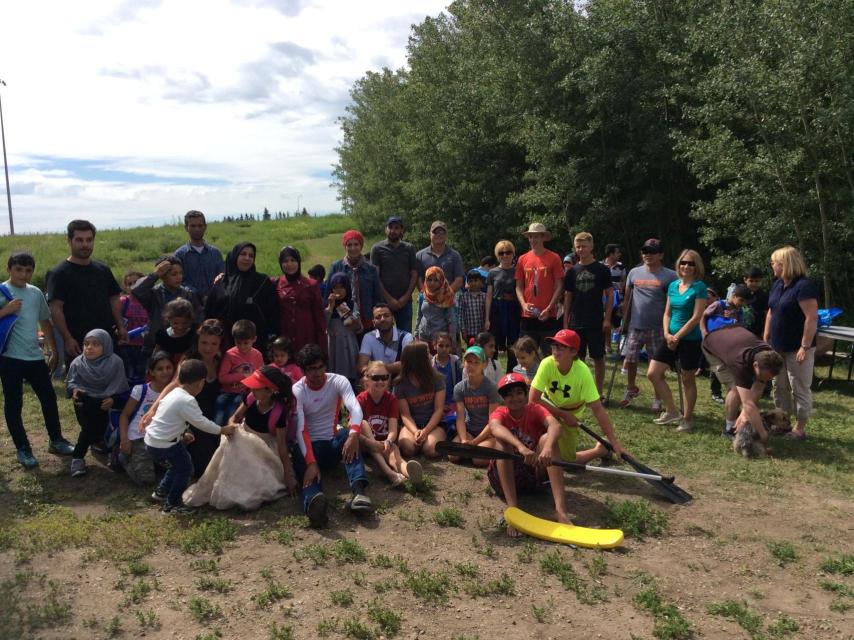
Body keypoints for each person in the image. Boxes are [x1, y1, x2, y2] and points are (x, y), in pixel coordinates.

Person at [184, 366, 298, 510]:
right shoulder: (250, 398)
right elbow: (236, 417)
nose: (252, 391)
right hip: (244, 438)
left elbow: (281, 446)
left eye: (257, 388)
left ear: (270, 391)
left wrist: (288, 474)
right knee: (234, 448)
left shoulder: (278, 412)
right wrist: (232, 427)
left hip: (264, 448)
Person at [1, 252, 74, 467]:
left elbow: (44, 321)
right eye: (19, 270)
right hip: (9, 358)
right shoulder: (2, 291)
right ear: (9, 269)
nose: (24, 274)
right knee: (14, 404)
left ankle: (56, 440)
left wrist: (53, 349)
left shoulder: (34, 293)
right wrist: (6, 310)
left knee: (49, 399)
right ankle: (23, 448)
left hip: (34, 357)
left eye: (28, 270)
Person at [292, 344, 372, 527]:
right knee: (298, 452)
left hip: (332, 442)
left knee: (347, 434)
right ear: (304, 371)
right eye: (312, 369)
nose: (317, 373)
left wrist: (353, 434)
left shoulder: (338, 381)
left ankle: (359, 492)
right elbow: (301, 428)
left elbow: (355, 409)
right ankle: (313, 504)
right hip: (309, 446)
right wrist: (311, 463)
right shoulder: (298, 390)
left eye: (320, 367)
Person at [144, 359, 236, 514]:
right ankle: (172, 505)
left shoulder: (174, 393)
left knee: (177, 465)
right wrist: (222, 429)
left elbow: (170, 420)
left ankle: (161, 492)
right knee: (186, 468)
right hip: (165, 445)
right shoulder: (187, 400)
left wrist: (183, 433)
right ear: (200, 383)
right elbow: (202, 423)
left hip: (154, 441)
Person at [140, 319, 225, 477]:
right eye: (204, 342)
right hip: (192, 414)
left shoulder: (223, 359)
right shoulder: (189, 360)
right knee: (201, 464)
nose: (208, 348)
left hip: (216, 411)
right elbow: (173, 385)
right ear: (197, 341)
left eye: (214, 344)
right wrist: (153, 410)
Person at [529, 329, 625, 465]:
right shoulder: (546, 363)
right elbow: (533, 399)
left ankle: (600, 450)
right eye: (554, 346)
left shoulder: (582, 372)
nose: (555, 351)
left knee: (567, 463)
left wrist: (614, 442)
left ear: (573, 352)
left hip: (571, 413)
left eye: (561, 347)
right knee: (535, 446)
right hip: (548, 406)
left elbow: (598, 409)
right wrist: (561, 413)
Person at [486, 372, 565, 535]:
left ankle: (561, 510)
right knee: (502, 443)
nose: (515, 398)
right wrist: (520, 447)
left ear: (525, 393)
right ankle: (513, 511)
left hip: (533, 472)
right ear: (503, 398)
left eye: (519, 393)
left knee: (548, 438)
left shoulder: (535, 409)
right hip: (505, 476)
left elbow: (555, 425)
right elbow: (495, 428)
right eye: (509, 395)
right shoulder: (499, 412)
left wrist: (548, 447)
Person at [48, 220, 128, 368]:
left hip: (107, 339)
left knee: (112, 385)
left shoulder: (103, 270)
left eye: (89, 240)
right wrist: (67, 338)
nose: (85, 244)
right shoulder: (59, 274)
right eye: (79, 240)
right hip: (78, 343)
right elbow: (55, 308)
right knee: (82, 388)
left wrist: (121, 326)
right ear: (69, 241)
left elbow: (114, 298)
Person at [645, 250, 708, 432]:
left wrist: (677, 337)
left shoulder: (699, 287)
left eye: (691, 263)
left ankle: (687, 419)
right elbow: (667, 313)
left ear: (697, 267)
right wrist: (666, 333)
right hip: (669, 337)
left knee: (687, 380)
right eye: (683, 263)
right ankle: (672, 410)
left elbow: (696, 317)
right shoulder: (673, 285)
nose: (686, 266)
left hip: (689, 340)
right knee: (653, 373)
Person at [765, 246, 819, 441]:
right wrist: (766, 335)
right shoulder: (778, 284)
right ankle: (781, 422)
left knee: (799, 386)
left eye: (775, 262)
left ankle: (799, 428)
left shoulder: (804, 286)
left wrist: (804, 346)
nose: (772, 265)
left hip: (797, 347)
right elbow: (771, 311)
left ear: (785, 264)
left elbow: (811, 317)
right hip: (777, 345)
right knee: (778, 385)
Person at [620, 239, 678, 410]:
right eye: (645, 251)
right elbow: (627, 298)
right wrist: (625, 321)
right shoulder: (634, 273)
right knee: (630, 358)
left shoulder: (670, 276)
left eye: (652, 252)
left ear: (660, 255)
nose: (648, 255)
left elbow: (673, 303)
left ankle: (658, 398)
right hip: (635, 326)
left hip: (658, 328)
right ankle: (631, 389)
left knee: (656, 365)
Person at [702, 322, 783, 439]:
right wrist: (763, 433)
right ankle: (730, 428)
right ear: (755, 365)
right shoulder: (740, 363)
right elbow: (748, 402)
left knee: (749, 393)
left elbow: (759, 385)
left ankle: (740, 418)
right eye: (765, 376)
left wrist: (745, 413)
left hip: (733, 339)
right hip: (712, 345)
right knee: (736, 389)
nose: (767, 380)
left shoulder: (769, 355)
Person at [66, 329, 129, 477]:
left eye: (95, 344)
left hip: (107, 401)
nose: (89, 347)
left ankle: (79, 456)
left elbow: (120, 386)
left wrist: (113, 399)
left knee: (94, 427)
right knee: (90, 425)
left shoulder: (115, 362)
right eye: (86, 344)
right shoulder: (78, 363)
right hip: (85, 402)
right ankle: (82, 454)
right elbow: (71, 383)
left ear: (106, 345)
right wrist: (74, 390)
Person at [356, 360, 424, 486]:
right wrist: (370, 442)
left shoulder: (391, 399)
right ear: (367, 380)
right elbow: (353, 430)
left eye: (384, 377)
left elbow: (393, 430)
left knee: (396, 458)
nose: (381, 381)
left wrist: (388, 441)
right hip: (365, 444)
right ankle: (389, 473)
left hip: (384, 443)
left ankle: (411, 475)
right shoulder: (360, 399)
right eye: (376, 378)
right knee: (364, 424)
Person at [562, 232, 614, 395]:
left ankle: (598, 392)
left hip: (595, 320)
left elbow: (610, 294)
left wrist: (607, 319)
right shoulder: (571, 271)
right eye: (578, 247)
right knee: (577, 358)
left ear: (591, 246)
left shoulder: (602, 269)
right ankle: (579, 390)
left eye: (584, 246)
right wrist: (565, 322)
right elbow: (568, 297)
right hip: (576, 321)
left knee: (598, 357)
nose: (581, 249)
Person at [205, 242, 278, 354]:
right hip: (225, 343)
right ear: (235, 256)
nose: (247, 258)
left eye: (251, 256)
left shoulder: (262, 282)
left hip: (254, 344)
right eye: (243, 254)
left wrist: (271, 337)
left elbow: (272, 312)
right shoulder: (221, 282)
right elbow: (210, 312)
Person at [117, 351, 174, 486]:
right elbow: (124, 415)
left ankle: (151, 462)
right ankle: (124, 458)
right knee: (146, 480)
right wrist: (125, 439)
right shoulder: (141, 390)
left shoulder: (174, 393)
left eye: (168, 367)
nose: (165, 372)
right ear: (151, 372)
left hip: (161, 440)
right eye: (160, 369)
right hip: (138, 438)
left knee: (178, 469)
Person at [131, 255, 202, 351]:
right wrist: (155, 274)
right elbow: (137, 291)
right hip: (156, 345)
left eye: (181, 273)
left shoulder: (189, 294)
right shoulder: (154, 294)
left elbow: (198, 318)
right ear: (162, 276)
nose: (179, 277)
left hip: (183, 344)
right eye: (174, 274)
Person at [515, 223, 564, 354]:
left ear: (543, 237)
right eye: (530, 236)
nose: (532, 240)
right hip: (528, 314)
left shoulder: (554, 257)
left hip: (548, 314)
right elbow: (518, 286)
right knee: (527, 354)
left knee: (549, 354)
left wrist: (549, 308)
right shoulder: (522, 259)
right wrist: (524, 304)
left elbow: (560, 285)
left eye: (536, 236)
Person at [448, 345, 500, 466]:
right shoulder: (460, 388)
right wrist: (464, 439)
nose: (472, 365)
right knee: (453, 455)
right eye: (469, 361)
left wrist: (476, 441)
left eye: (476, 362)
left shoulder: (491, 387)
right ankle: (472, 448)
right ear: (464, 363)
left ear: (484, 365)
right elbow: (460, 417)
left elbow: (492, 421)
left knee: (478, 460)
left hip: (488, 433)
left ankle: (495, 446)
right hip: (469, 430)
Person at [395, 341, 447, 459]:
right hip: (411, 425)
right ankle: (417, 441)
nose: (430, 356)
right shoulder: (400, 384)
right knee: (408, 448)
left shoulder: (437, 379)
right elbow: (405, 415)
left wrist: (426, 431)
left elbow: (439, 410)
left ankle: (428, 441)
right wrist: (415, 431)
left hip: (434, 424)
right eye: (427, 353)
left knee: (430, 450)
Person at [369, 216, 420, 333]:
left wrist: (406, 297)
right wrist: (389, 299)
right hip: (383, 303)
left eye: (397, 228)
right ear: (385, 229)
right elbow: (375, 276)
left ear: (402, 231)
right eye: (390, 227)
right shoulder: (377, 249)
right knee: (383, 336)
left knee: (405, 337)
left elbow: (414, 274)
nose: (393, 231)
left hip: (405, 303)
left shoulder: (409, 248)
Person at [328, 230, 383, 337]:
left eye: (356, 244)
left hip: (367, 320)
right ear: (345, 246)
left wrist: (376, 316)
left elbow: (377, 297)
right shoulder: (336, 267)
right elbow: (329, 295)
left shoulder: (371, 269)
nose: (353, 248)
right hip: (343, 322)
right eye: (349, 245)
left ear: (361, 246)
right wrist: (347, 316)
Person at [274, 246, 327, 354]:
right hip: (285, 339)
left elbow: (320, 318)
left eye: (293, 260)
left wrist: (322, 346)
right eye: (285, 261)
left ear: (298, 262)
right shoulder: (276, 284)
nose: (289, 264)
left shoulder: (311, 285)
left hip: (307, 337)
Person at [215, 319, 264, 425]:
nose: (242, 346)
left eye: (246, 343)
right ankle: (216, 438)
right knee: (218, 418)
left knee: (232, 414)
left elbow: (260, 377)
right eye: (238, 343)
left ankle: (230, 437)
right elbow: (222, 377)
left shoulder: (257, 355)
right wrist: (242, 376)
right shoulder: (230, 354)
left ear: (254, 339)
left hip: (243, 393)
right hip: (226, 392)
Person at [484, 240, 521, 372]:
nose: (505, 255)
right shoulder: (492, 273)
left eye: (508, 252)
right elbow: (489, 295)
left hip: (513, 309)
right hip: (497, 308)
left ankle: (512, 372)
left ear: (513, 254)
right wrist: (487, 318)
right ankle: (492, 371)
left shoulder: (518, 271)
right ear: (497, 255)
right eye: (501, 253)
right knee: (494, 342)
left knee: (513, 343)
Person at [173, 210, 225, 300]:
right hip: (190, 305)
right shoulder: (180, 255)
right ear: (186, 228)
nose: (197, 229)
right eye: (193, 226)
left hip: (215, 304)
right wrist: (198, 296)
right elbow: (179, 282)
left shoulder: (215, 253)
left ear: (205, 227)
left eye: (200, 225)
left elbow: (223, 277)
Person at [358, 303, 414, 377]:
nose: (382, 319)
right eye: (378, 317)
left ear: (393, 319)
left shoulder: (406, 337)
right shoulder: (368, 337)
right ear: (373, 322)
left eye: (386, 316)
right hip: (378, 380)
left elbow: (408, 365)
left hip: (400, 382)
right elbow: (361, 366)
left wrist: (378, 369)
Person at [326, 272, 361, 385]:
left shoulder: (352, 304)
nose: (338, 291)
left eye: (342, 287)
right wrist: (331, 307)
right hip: (333, 345)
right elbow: (323, 324)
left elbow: (358, 328)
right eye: (335, 288)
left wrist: (344, 311)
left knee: (349, 373)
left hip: (348, 344)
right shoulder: (326, 305)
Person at [416, 220, 465, 293]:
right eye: (435, 232)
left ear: (446, 235)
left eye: (442, 232)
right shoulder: (420, 255)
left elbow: (459, 279)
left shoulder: (455, 255)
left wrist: (445, 294)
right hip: (427, 299)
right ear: (430, 234)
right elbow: (418, 279)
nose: (438, 235)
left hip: (449, 299)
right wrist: (426, 294)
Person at [118, 270, 149, 385]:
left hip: (145, 346)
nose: (133, 286)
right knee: (128, 376)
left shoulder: (149, 301)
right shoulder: (123, 302)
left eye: (136, 282)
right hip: (127, 346)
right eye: (129, 284)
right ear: (125, 287)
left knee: (144, 376)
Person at [416, 266, 457, 345]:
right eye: (429, 280)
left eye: (436, 280)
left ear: (441, 281)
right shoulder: (422, 295)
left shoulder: (447, 296)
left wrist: (452, 341)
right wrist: (416, 334)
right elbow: (419, 316)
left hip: (440, 340)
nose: (432, 283)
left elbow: (452, 321)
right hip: (423, 336)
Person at [152, 298, 197, 368]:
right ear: (169, 320)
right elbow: (156, 352)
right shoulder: (162, 335)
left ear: (190, 320)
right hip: (167, 372)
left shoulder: (193, 335)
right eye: (175, 323)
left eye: (185, 323)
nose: (180, 327)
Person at [431, 331, 461, 422]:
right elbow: (429, 389)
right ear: (434, 345)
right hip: (435, 404)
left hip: (453, 402)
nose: (444, 349)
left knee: (455, 419)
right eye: (441, 346)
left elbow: (459, 385)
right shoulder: (430, 365)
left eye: (447, 346)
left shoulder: (455, 362)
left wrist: (455, 403)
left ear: (451, 347)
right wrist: (440, 406)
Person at [459, 269, 487, 344]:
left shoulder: (484, 296)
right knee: (471, 350)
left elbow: (486, 313)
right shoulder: (463, 297)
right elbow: (461, 315)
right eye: (471, 281)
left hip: (481, 330)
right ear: (467, 283)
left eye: (476, 280)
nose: (473, 283)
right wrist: (463, 330)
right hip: (469, 331)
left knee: (481, 350)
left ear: (481, 282)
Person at [742, 266, 769, 338]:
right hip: (742, 330)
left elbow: (767, 314)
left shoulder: (763, 296)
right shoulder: (740, 293)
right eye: (751, 281)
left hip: (758, 332)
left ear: (761, 281)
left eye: (757, 281)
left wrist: (765, 331)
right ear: (745, 280)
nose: (754, 283)